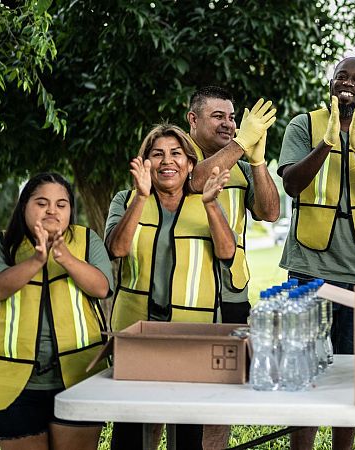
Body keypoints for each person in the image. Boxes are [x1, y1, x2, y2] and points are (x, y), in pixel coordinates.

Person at [278, 56, 355, 450]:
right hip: (308, 264)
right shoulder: (303, 125)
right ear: (331, 83)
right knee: (304, 365)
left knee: (352, 368)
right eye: (341, 77)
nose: (348, 83)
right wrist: (327, 142)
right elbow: (293, 184)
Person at [105, 124, 233, 450]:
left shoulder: (209, 200)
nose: (167, 161)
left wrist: (210, 205)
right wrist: (141, 197)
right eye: (157, 154)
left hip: (191, 333)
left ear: (190, 163)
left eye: (176, 153)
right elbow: (116, 249)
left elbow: (227, 252)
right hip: (136, 330)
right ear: (145, 162)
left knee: (188, 432)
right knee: (130, 428)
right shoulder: (126, 199)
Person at [0, 172, 113, 450]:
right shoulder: (1, 244)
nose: (52, 210)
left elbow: (101, 288)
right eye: (42, 202)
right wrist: (38, 259)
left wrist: (64, 256)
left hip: (80, 377)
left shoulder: (88, 241)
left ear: (70, 210)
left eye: (61, 204)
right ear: (24, 206)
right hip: (14, 383)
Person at [183, 88, 280, 450]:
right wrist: (240, 143)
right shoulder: (179, 157)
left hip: (231, 293)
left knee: (220, 397)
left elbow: (270, 212)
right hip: (186, 295)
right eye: (218, 116)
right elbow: (196, 180)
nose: (229, 123)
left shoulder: (240, 164)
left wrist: (256, 161)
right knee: (168, 394)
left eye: (233, 117)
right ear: (193, 120)